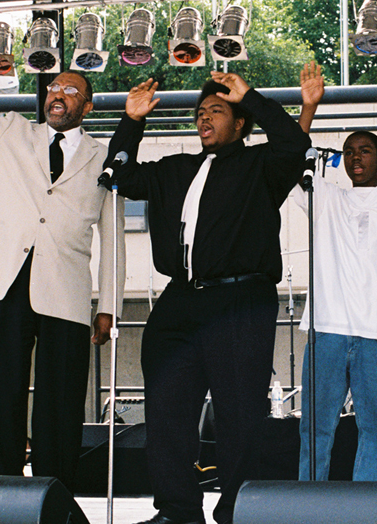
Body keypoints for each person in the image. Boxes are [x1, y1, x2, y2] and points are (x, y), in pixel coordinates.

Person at [0, 0, 125, 492]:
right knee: (5, 396)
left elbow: (114, 239)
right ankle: (4, 497)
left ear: (88, 105)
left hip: (67, 293)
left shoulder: (104, 156)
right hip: (5, 282)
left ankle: (55, 496)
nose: (58, 94)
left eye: (70, 89)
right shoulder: (12, 130)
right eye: (54, 87)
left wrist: (109, 306)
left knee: (62, 403)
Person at [107, 71, 310, 524]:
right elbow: (121, 175)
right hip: (179, 300)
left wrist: (250, 97)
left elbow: (294, 145)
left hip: (240, 299)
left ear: (239, 123)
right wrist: (132, 121)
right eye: (200, 112)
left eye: (216, 111)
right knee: (167, 410)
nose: (204, 118)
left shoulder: (261, 166)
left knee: (239, 414)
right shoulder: (175, 168)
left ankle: (236, 510)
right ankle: (177, 510)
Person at [293, 62, 377, 482]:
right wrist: (308, 109)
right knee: (316, 427)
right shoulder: (325, 197)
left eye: (365, 150)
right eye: (349, 151)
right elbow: (288, 162)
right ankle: (310, 505)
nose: (355, 157)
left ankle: (368, 506)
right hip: (328, 329)